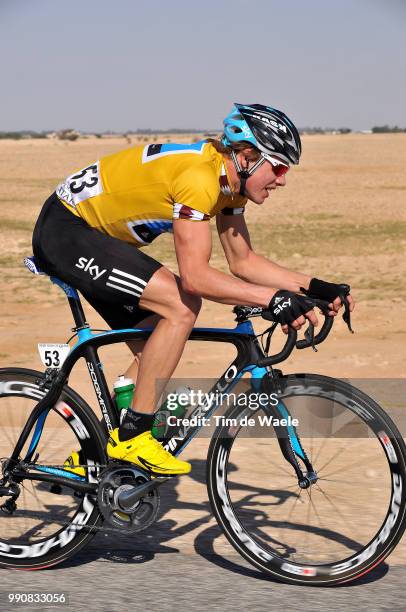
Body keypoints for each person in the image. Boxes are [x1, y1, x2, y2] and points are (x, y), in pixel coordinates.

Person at [32, 103, 354, 476]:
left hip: (96, 239)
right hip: (67, 232)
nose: (281, 179)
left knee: (159, 350)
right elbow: (196, 278)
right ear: (248, 156)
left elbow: (243, 261)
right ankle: (134, 437)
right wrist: (273, 299)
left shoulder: (230, 184)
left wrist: (314, 287)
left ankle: (98, 459)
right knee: (182, 305)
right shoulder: (200, 179)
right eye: (278, 167)